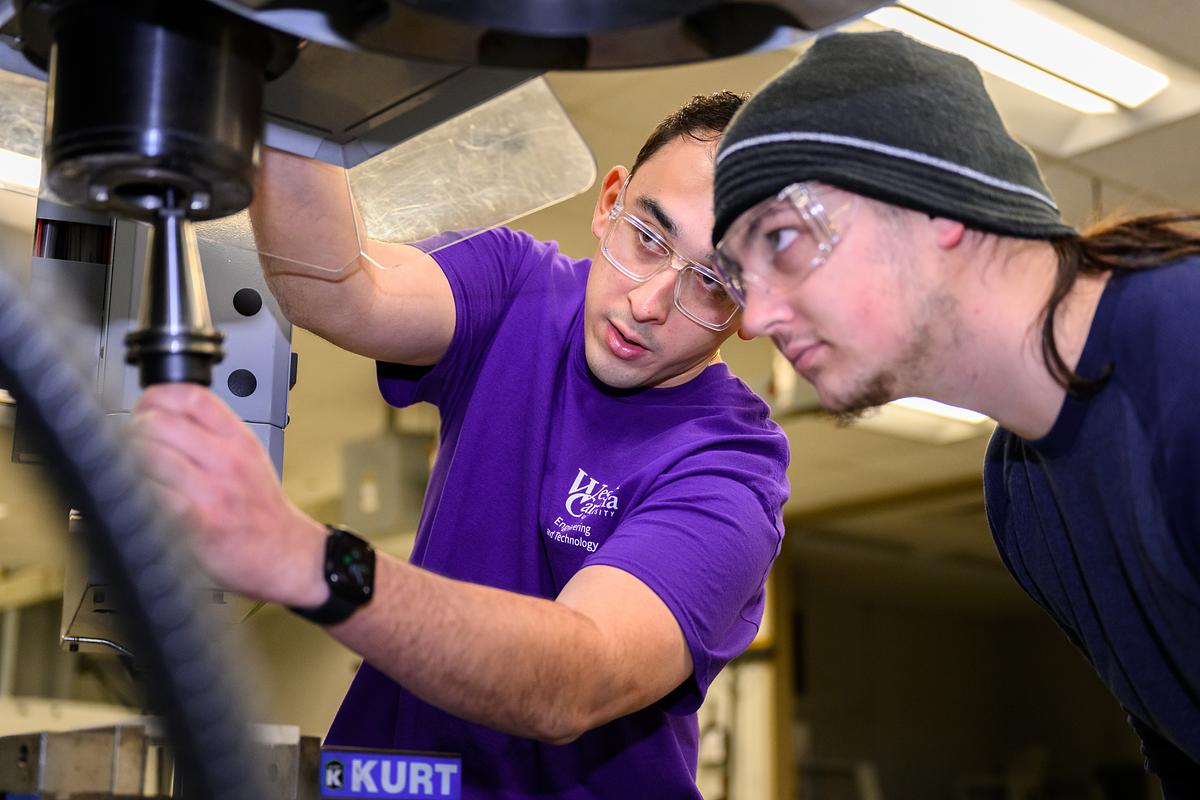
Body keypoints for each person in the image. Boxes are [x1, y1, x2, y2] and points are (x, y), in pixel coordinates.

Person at [130, 92, 789, 798]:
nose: (648, 303)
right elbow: (340, 289)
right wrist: (285, 84)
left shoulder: (732, 472)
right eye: (648, 239)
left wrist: (304, 556)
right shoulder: (522, 289)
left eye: (710, 283)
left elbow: (573, 679)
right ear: (609, 204)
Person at [709, 30, 1200, 796]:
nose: (758, 315)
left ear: (935, 201)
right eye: (740, 277)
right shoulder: (1021, 492)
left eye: (782, 238)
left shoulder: (1185, 351)